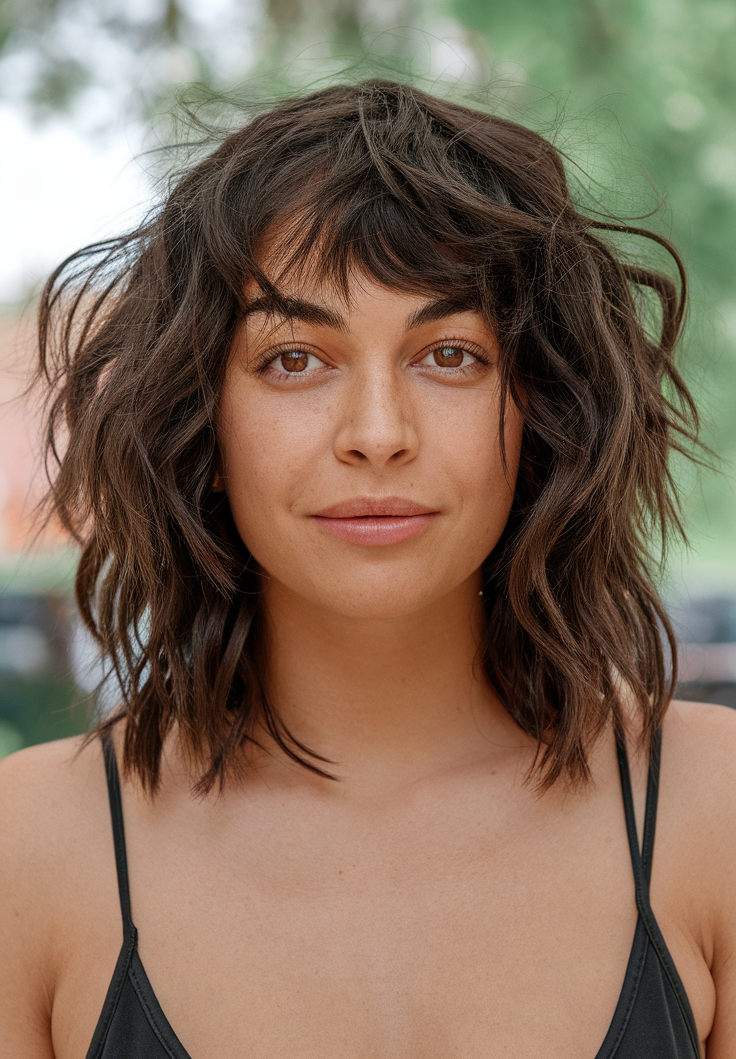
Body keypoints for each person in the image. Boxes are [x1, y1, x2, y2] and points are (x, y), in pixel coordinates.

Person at [0, 80, 734, 1059]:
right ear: (201, 420)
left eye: (450, 355)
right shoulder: (34, 847)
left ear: (542, 409)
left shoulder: (710, 809)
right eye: (295, 358)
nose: (377, 435)